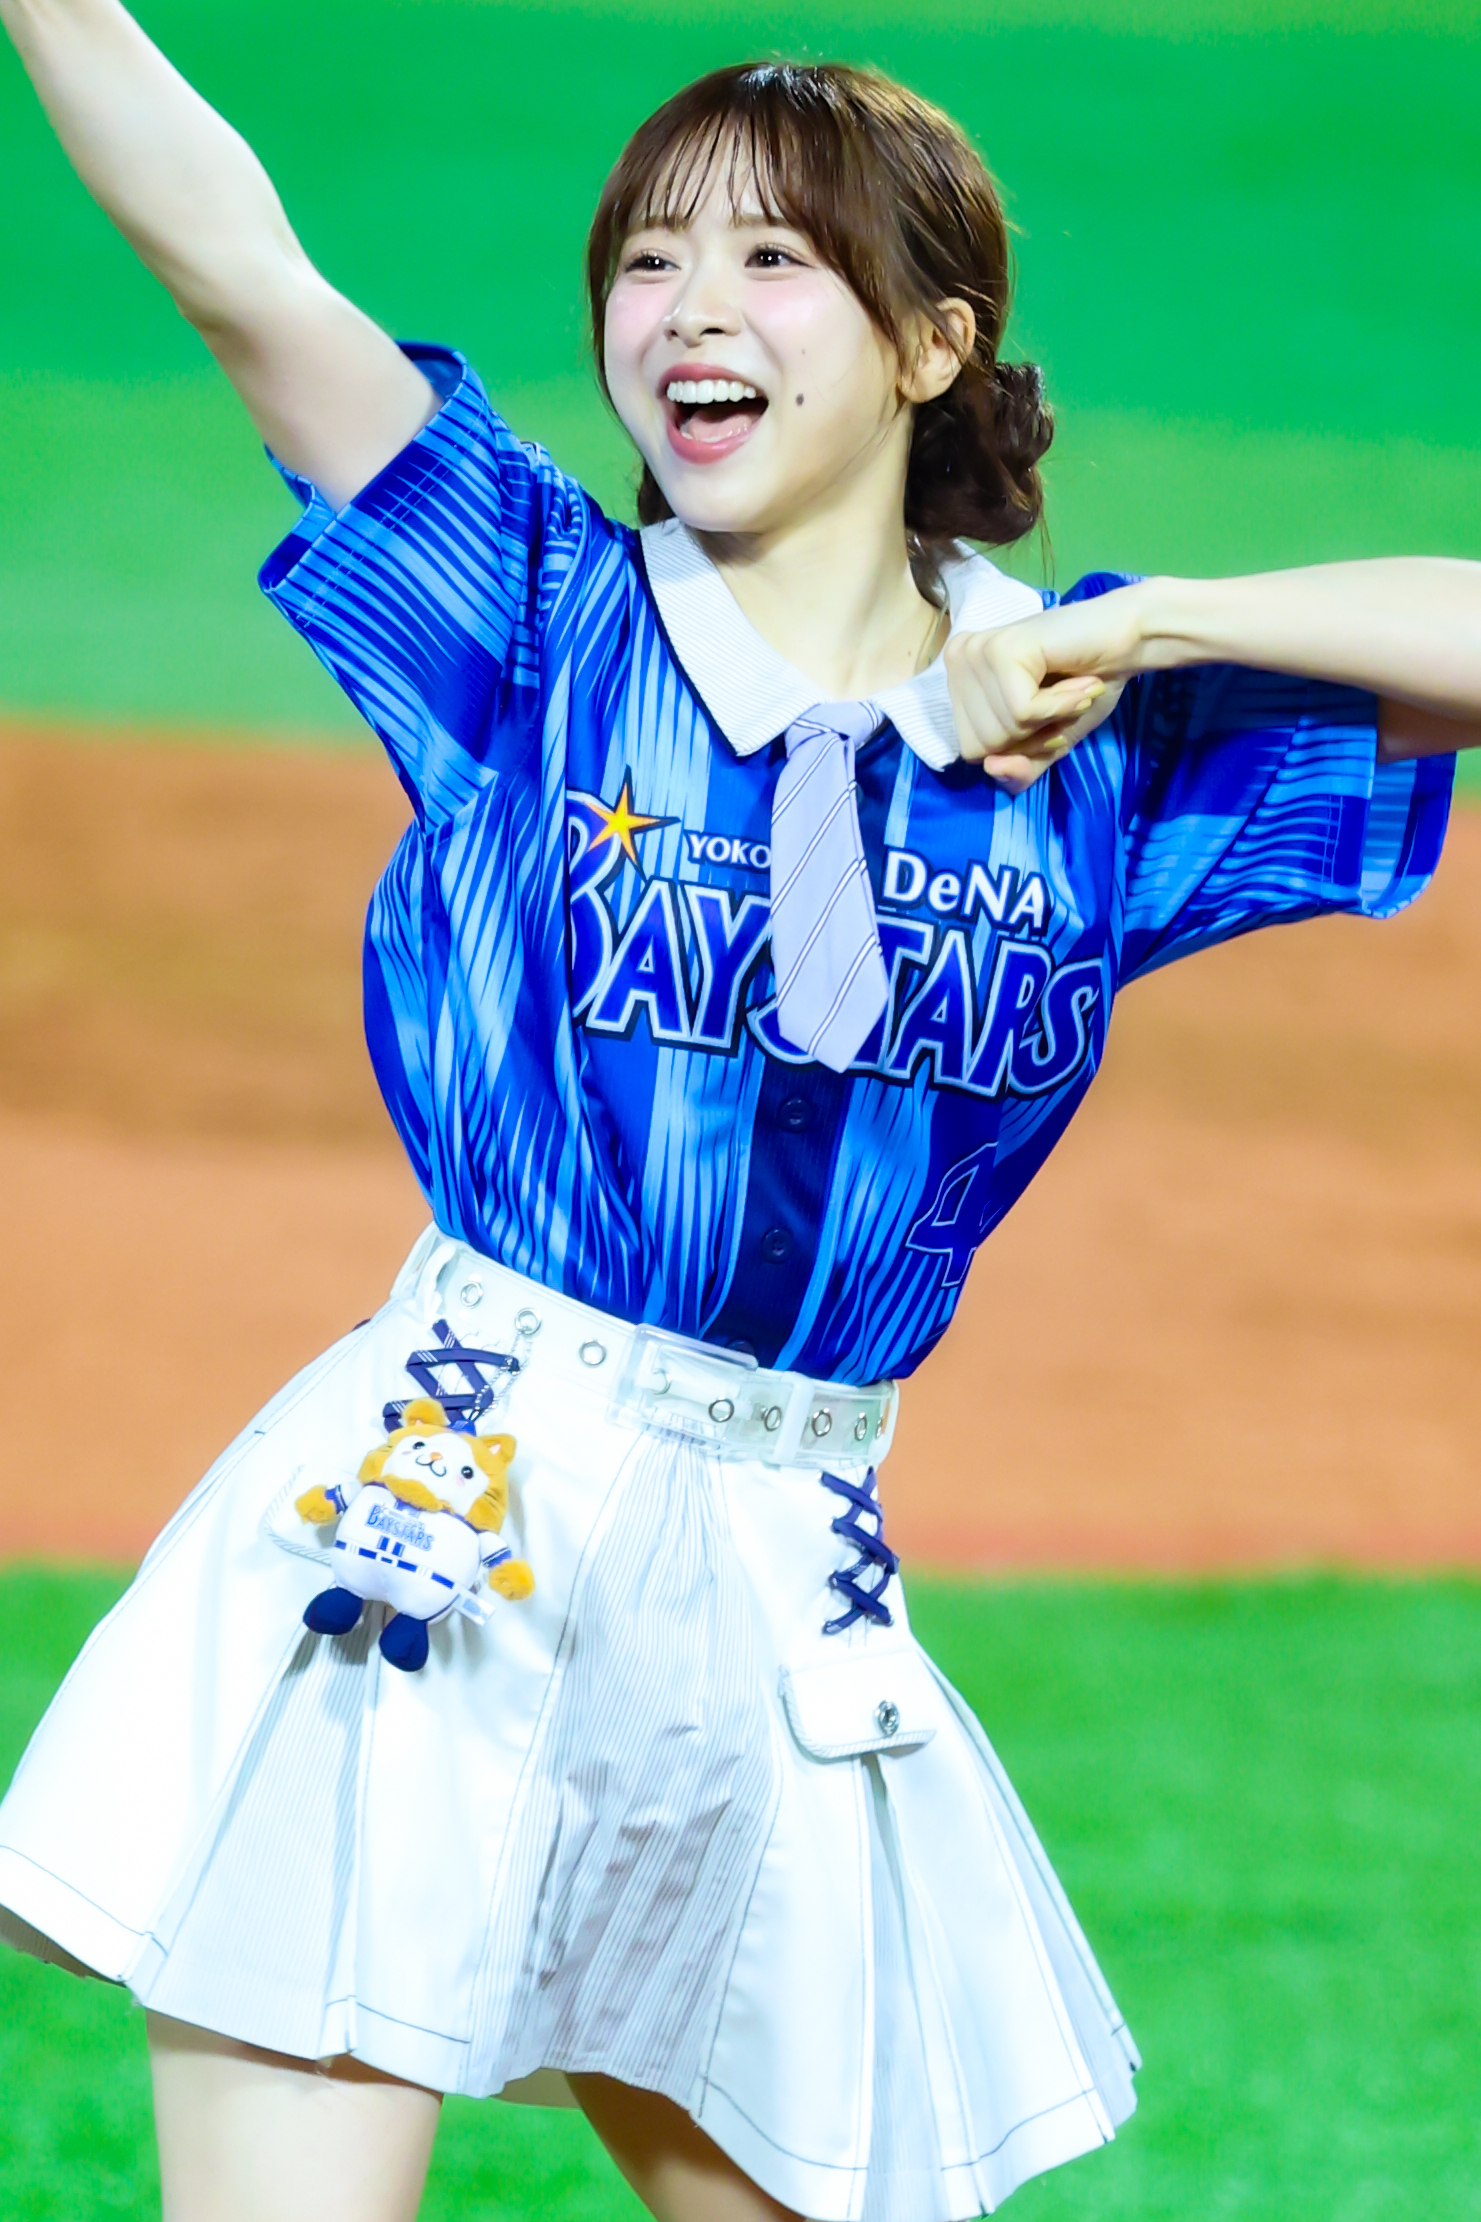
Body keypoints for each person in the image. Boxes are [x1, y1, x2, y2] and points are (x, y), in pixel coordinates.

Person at [0, 13, 1477, 2220]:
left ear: (930, 340)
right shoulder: (534, 605)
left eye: (777, 260)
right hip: (444, 1513)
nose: (690, 310)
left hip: (797, 1586)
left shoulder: (1083, 730)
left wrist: (1160, 628)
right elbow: (238, 265)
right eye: (648, 260)